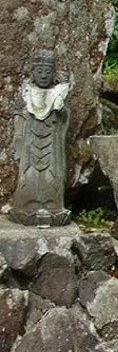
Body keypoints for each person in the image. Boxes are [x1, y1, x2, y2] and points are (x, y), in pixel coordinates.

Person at [10, 50, 71, 226]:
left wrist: (61, 112)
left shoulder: (58, 94)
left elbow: (65, 120)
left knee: (52, 178)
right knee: (29, 178)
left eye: (47, 71)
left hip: (52, 147)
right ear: (32, 72)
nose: (43, 75)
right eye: (39, 71)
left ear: (53, 74)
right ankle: (26, 207)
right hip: (31, 148)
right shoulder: (26, 93)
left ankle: (53, 207)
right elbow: (19, 122)